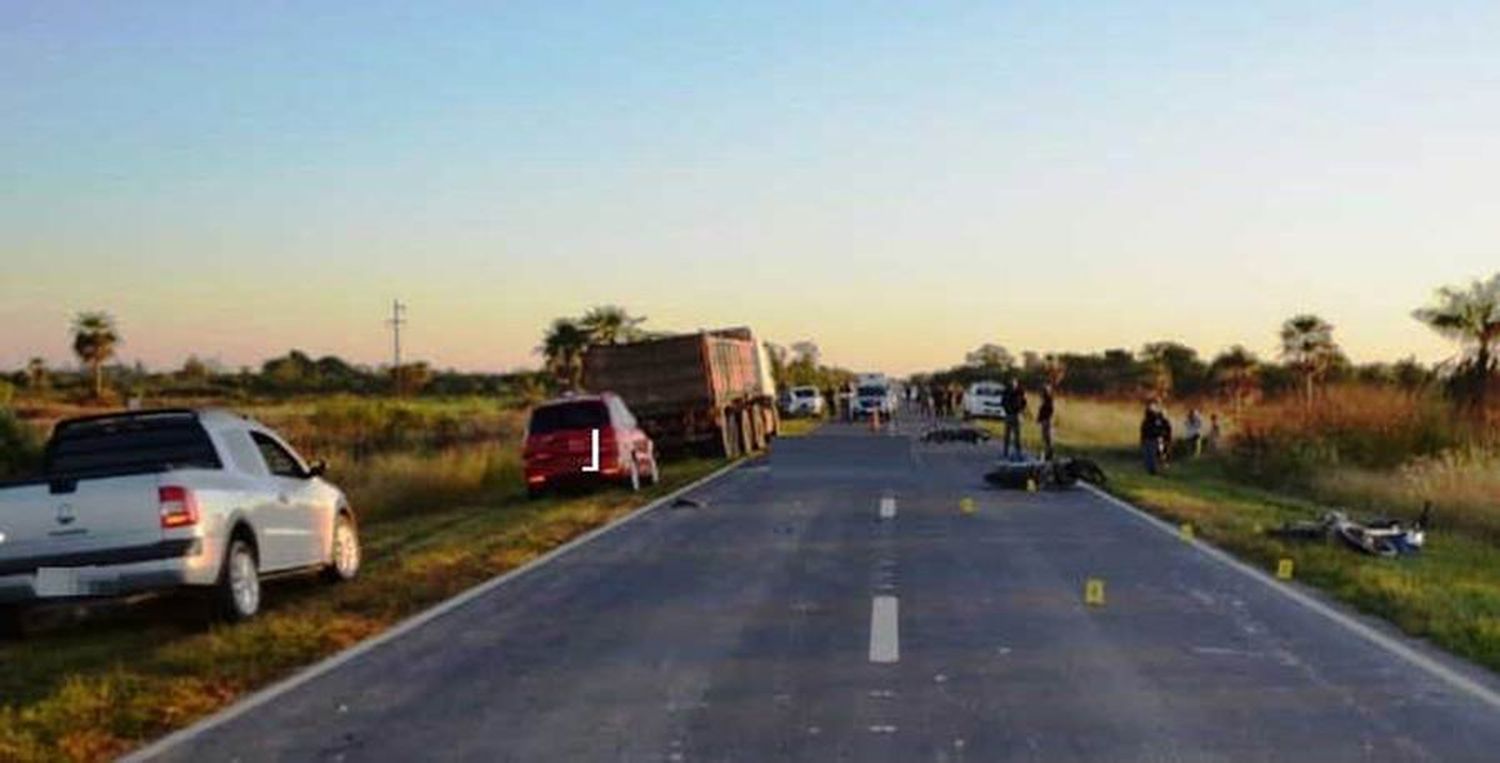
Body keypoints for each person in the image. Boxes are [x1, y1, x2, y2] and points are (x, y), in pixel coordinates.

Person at [1140, 399, 1173, 475]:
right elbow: (1144, 430)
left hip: (1155, 439)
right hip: (1150, 439)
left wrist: (1165, 437)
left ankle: (1156, 470)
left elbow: (1166, 429)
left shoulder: (1159, 418)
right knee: (1149, 456)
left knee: (1155, 455)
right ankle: (1151, 470)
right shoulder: (1147, 420)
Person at [1000, 378, 1028, 461]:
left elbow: (1024, 402)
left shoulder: (1020, 392)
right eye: (1012, 383)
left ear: (1017, 384)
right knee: (1007, 435)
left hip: (1017, 414)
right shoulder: (1006, 392)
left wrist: (1021, 410)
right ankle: (1006, 452)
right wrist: (1007, 410)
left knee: (1017, 435)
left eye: (1014, 383)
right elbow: (1003, 402)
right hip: (1009, 415)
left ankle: (1018, 452)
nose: (1013, 385)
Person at [1037, 383, 1057, 461]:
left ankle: (1050, 455)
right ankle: (1047, 454)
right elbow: (1041, 410)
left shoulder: (1050, 400)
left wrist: (1046, 420)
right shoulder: (1044, 400)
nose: (1043, 392)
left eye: (1045, 390)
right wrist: (1039, 419)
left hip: (1048, 421)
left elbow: (1050, 411)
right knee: (1045, 439)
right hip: (1044, 421)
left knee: (1048, 439)